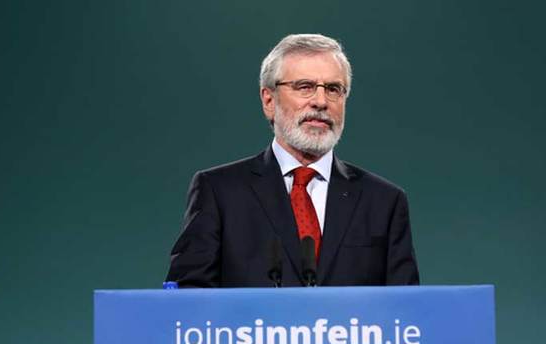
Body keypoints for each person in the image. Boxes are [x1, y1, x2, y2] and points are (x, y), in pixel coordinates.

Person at [166, 34, 419, 287]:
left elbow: (406, 311)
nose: (321, 102)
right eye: (304, 87)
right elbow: (189, 303)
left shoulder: (384, 201)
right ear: (268, 100)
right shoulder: (219, 191)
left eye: (333, 89)